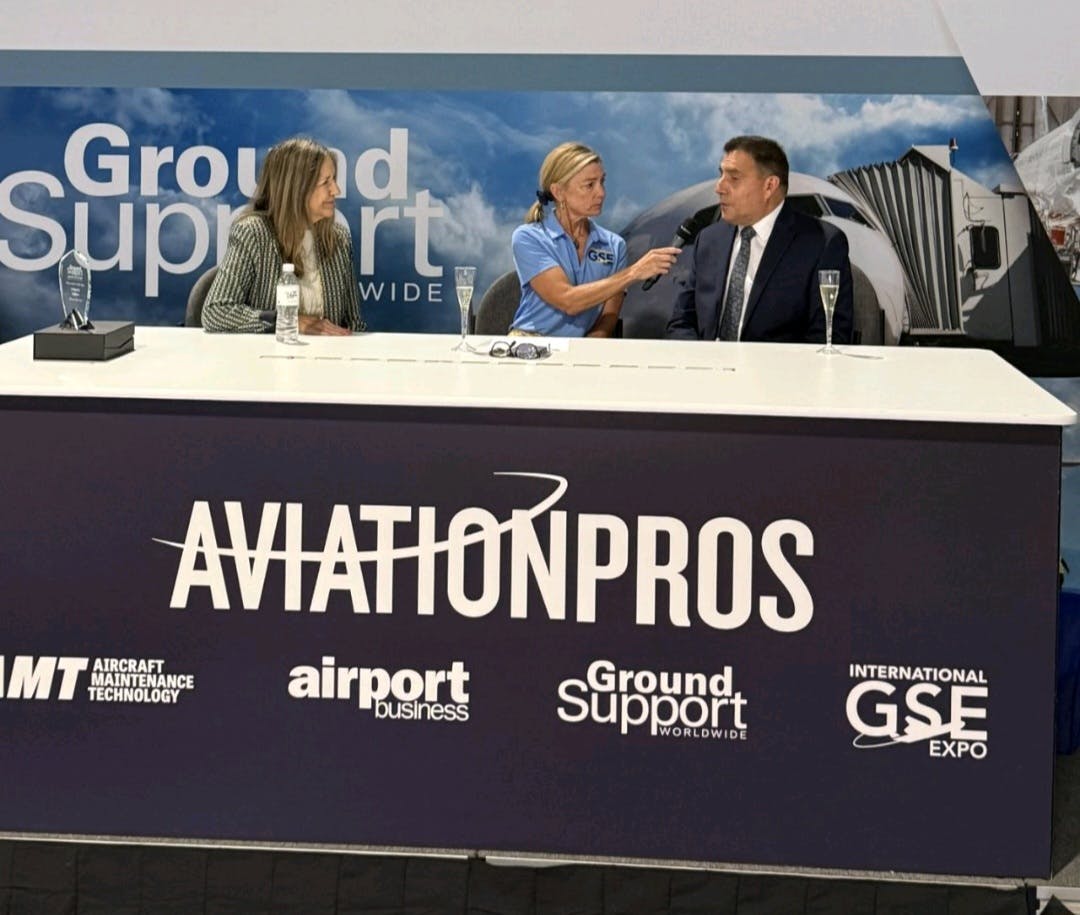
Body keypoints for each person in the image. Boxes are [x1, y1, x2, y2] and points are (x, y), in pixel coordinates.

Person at [666, 135, 853, 344]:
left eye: (734, 178)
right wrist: (703, 358)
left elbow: (829, 337)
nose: (719, 188)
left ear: (769, 186)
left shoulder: (822, 243)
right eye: (721, 175)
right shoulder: (709, 240)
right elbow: (681, 323)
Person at [510, 142, 681, 337]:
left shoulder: (614, 245)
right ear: (559, 192)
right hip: (530, 347)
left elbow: (609, 317)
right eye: (589, 185)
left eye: (602, 182)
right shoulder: (529, 238)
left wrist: (589, 348)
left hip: (584, 348)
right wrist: (634, 272)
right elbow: (568, 301)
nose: (601, 193)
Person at [202, 137, 363, 335]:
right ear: (297, 189)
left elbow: (354, 324)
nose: (336, 190)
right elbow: (216, 312)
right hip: (265, 354)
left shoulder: (339, 239)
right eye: (325, 182)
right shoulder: (253, 233)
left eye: (334, 180)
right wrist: (288, 321)